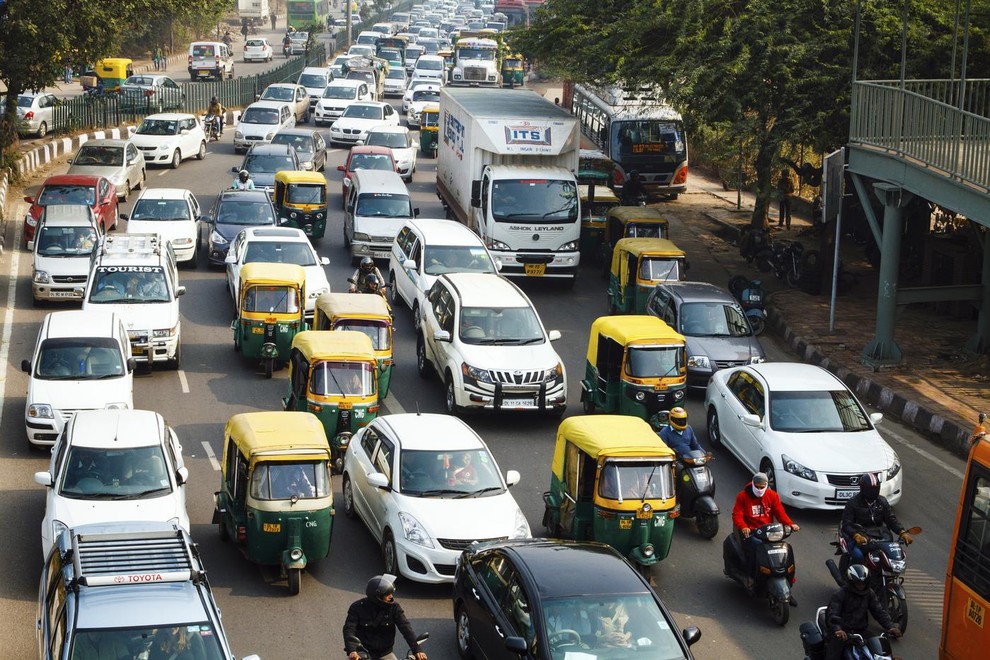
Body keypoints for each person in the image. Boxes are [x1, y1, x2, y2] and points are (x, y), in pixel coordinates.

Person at [731, 471, 800, 592]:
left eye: (762, 487)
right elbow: (737, 515)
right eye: (756, 487)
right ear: (752, 484)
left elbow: (780, 513)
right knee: (756, 549)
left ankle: (788, 581)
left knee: (784, 550)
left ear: (767, 485)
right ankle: (751, 576)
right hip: (752, 532)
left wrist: (790, 524)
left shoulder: (772, 496)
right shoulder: (742, 496)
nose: (759, 489)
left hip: (769, 531)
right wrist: (743, 527)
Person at [824, 564, 901, 660]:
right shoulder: (841, 594)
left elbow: (878, 611)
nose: (861, 586)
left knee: (880, 649)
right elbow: (832, 613)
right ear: (852, 582)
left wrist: (890, 627)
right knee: (833, 655)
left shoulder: (869, 593)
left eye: (863, 583)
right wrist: (838, 629)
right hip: (842, 632)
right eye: (858, 583)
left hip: (861, 631)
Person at [343, 575, 428, 660]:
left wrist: (417, 650)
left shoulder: (394, 608)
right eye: (387, 594)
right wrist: (352, 650)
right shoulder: (357, 607)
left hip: (385, 653)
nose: (391, 596)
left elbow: (406, 628)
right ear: (377, 596)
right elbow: (349, 629)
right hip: (362, 653)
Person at [840, 472, 912, 564]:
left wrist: (902, 532)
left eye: (875, 489)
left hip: (879, 536)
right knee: (858, 555)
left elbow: (891, 520)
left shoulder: (882, 501)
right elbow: (847, 525)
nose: (873, 492)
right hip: (859, 535)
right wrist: (856, 535)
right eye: (870, 489)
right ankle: (853, 575)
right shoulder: (853, 503)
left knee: (891, 556)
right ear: (863, 488)